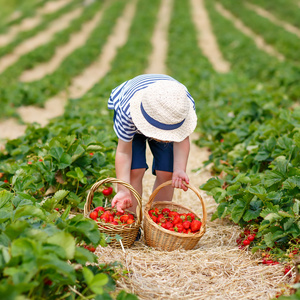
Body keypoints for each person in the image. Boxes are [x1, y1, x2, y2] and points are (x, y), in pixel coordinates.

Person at [108, 74, 197, 213]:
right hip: (134, 112)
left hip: (168, 116)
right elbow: (123, 152)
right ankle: (131, 221)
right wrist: (123, 189)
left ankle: (157, 219)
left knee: (168, 172)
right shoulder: (127, 112)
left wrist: (179, 169)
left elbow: (182, 138)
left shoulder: (181, 106)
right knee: (134, 170)